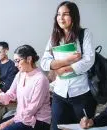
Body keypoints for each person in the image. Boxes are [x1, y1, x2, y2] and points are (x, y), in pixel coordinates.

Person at [41, 1, 97, 130]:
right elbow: (45, 63)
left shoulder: (84, 34)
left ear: (74, 16)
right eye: (59, 14)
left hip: (82, 92)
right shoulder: (54, 37)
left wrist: (63, 69)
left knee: (81, 127)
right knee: (56, 128)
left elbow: (88, 60)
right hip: (60, 93)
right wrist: (68, 60)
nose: (61, 18)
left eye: (65, 14)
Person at [0, 44, 51, 130]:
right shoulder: (20, 74)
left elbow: (32, 108)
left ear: (29, 59)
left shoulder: (41, 79)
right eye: (14, 61)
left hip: (38, 121)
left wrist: (9, 122)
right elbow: (10, 94)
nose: (15, 65)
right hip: (21, 117)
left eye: (17, 61)